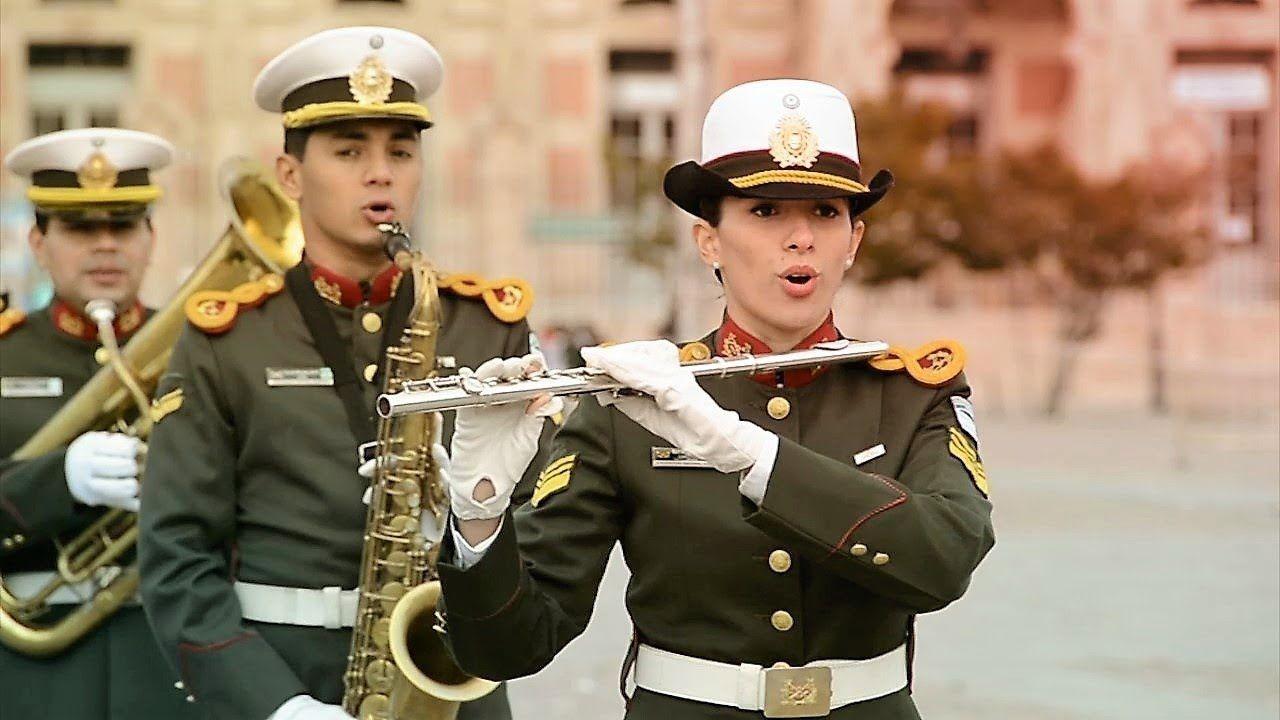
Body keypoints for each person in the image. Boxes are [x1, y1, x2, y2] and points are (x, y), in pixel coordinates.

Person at [432, 79, 996, 719]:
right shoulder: (630, 405)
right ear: (708, 241)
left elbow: (947, 557)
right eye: (765, 212)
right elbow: (512, 647)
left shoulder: (911, 393)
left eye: (824, 213)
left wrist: (753, 457)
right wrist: (479, 513)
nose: (800, 239)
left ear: (854, 241)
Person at [138, 27, 532, 720]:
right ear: (289, 175)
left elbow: (546, 529)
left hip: (450, 678)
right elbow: (177, 562)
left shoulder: (486, 324)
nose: (381, 172)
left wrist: (475, 516)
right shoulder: (227, 338)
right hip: (279, 677)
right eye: (349, 151)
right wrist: (278, 706)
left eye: (402, 152)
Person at [1, 128, 197, 717]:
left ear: (151, 237)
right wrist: (59, 481)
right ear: (39, 242)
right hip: (34, 670)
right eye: (81, 228)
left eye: (123, 226)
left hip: (173, 658)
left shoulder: (203, 350)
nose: (105, 246)